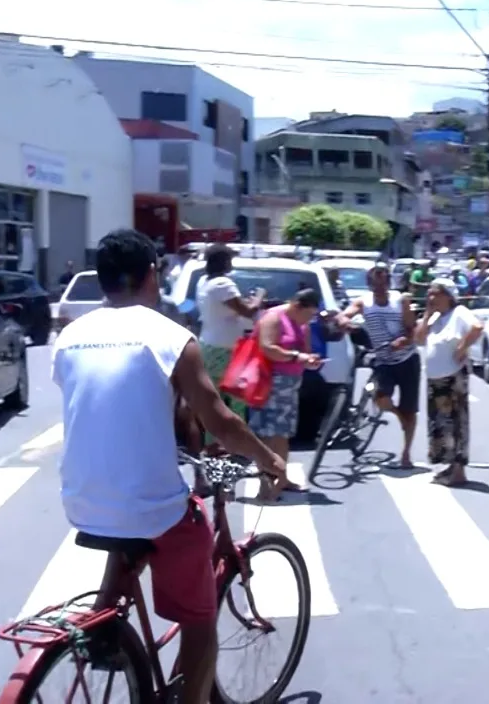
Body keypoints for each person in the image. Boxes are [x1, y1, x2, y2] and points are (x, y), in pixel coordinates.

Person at [53, 229, 288, 704]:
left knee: (130, 529)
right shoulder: (170, 336)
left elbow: (116, 406)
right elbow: (219, 420)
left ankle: (105, 632)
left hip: (80, 502)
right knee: (199, 615)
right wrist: (269, 459)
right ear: (152, 275)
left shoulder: (69, 338)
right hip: (149, 509)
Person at [336, 263, 420, 468]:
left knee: (411, 410)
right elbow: (344, 315)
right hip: (383, 360)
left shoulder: (400, 301)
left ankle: (406, 453)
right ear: (369, 285)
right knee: (381, 400)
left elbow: (413, 331)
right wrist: (343, 322)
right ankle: (399, 415)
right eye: (375, 284)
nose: (380, 288)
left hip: (407, 360)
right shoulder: (363, 303)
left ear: (389, 284)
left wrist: (403, 341)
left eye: (383, 284)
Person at [248, 289, 325, 480]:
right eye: (308, 314)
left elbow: (304, 352)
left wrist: (310, 360)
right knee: (271, 433)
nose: (309, 319)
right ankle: (272, 477)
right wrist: (297, 356)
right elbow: (267, 347)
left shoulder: (303, 325)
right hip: (271, 381)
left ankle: (280, 476)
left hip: (290, 385)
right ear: (297, 306)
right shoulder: (274, 318)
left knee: (283, 433)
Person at [414, 278, 484, 486]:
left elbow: (477, 327)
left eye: (436, 293)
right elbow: (418, 339)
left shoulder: (459, 313)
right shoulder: (436, 317)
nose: (430, 297)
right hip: (435, 380)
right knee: (440, 424)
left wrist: (462, 347)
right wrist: (426, 314)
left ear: (448, 296)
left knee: (457, 422)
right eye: (429, 293)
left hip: (453, 378)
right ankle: (450, 466)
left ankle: (459, 470)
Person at [195, 244, 264, 427]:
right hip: (226, 348)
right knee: (237, 400)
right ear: (223, 261)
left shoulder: (204, 281)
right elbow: (248, 311)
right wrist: (259, 297)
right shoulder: (223, 284)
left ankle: (212, 444)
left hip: (208, 344)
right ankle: (237, 443)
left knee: (213, 400)